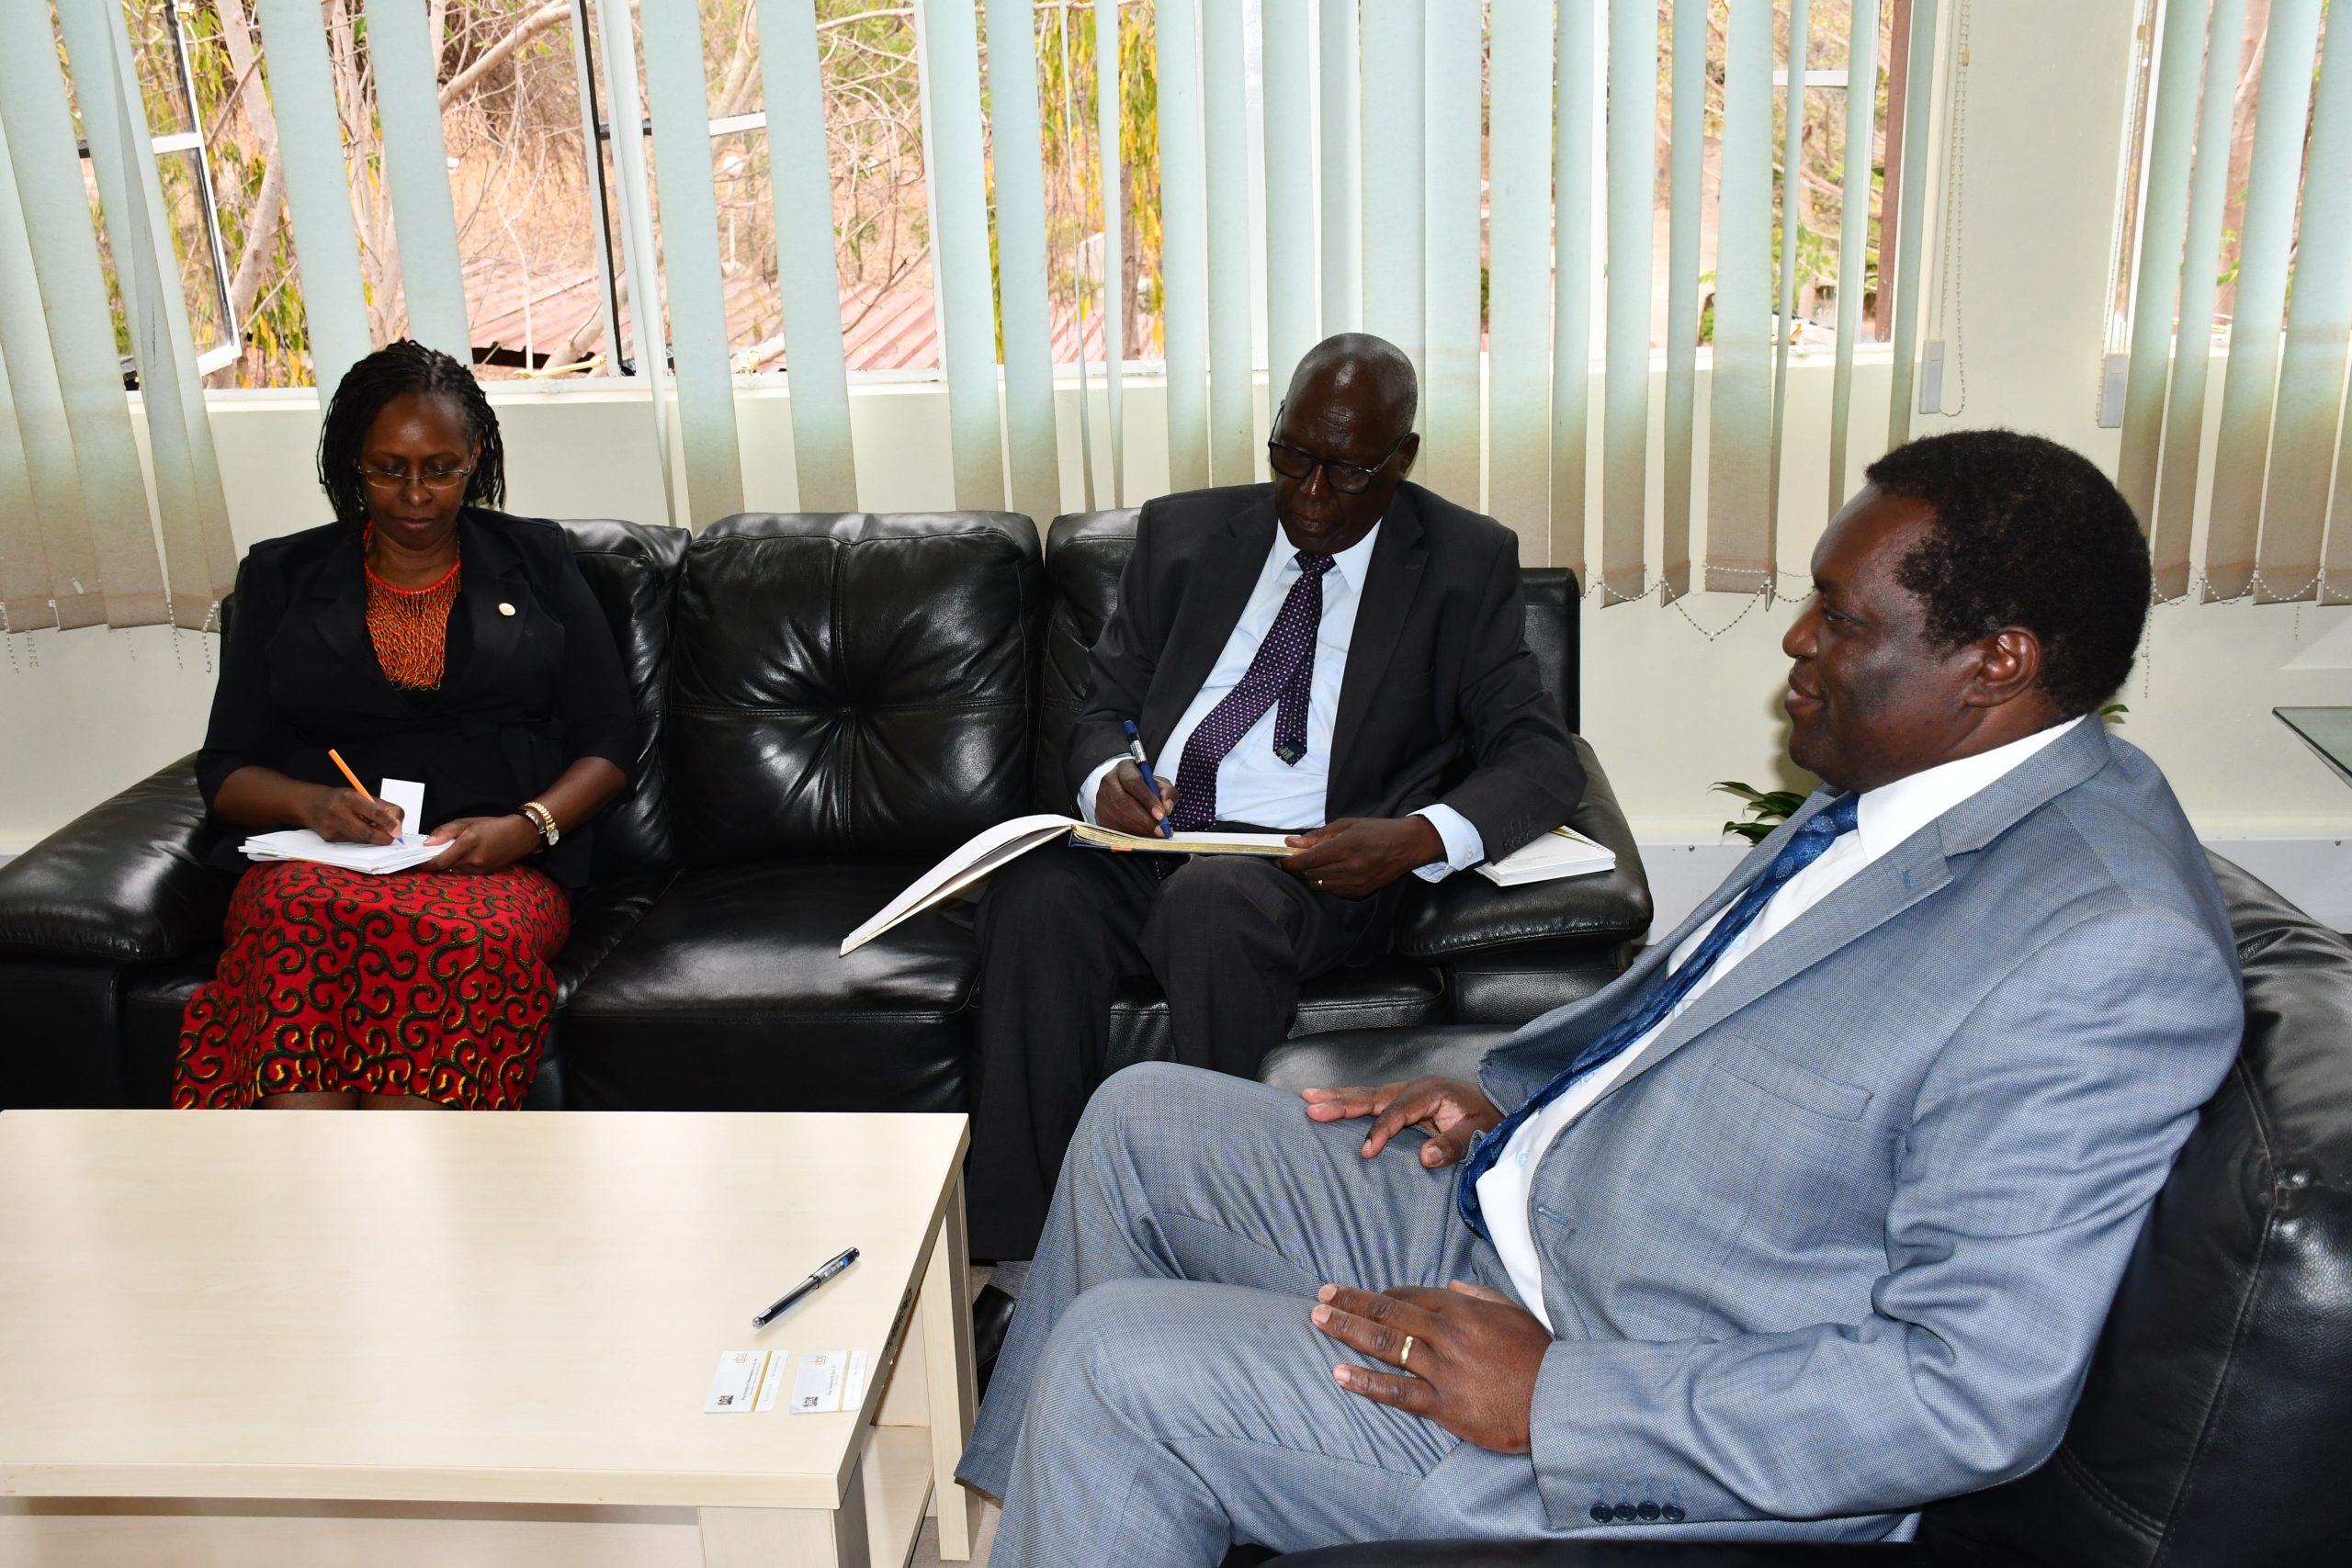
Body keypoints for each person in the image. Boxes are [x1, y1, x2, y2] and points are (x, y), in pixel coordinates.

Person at [956, 429, 2244, 1562]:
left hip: (1611, 1389)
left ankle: (1106, 1473)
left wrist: (1560, 1397)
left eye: (1843, 620)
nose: (1797, 639)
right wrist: (1509, 1094)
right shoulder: (1920, 786)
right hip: (1542, 1220)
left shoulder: (2103, 946)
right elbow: (1707, 1019)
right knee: (1139, 1124)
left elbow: (1972, 1392)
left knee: (1120, 1363)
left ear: (1996, 661)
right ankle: (1037, 1523)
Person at [967, 333, 1584, 1296]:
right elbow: (1096, 710)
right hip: (1161, 833)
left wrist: (1417, 838)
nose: (1309, 492)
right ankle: (1021, 1256)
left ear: (1402, 456)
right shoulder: (1182, 538)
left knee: (1214, 906)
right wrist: (1104, 783)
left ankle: (1220, 1236)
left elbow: (1542, 758)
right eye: (1291, 456)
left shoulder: (1462, 563)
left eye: (1344, 469)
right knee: (1037, 894)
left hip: (1314, 868)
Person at [172, 341, 637, 1111]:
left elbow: (611, 738)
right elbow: (225, 770)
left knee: (461, 944)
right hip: (321, 867)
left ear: (475, 457)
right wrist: (313, 806)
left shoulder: (538, 560)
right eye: (389, 468)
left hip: (492, 873)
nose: (415, 494)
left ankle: (412, 1196)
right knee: (292, 920)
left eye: (441, 468)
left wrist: (527, 826)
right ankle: (300, 1189)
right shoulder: (282, 578)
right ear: (354, 463)